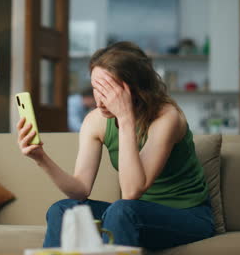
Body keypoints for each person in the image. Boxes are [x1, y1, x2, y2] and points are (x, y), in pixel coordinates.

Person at [16, 41, 215, 250]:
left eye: (109, 91)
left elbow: (131, 192)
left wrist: (125, 118)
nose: (100, 101)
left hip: (189, 216)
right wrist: (41, 158)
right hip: (135, 214)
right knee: (63, 210)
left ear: (135, 89)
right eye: (96, 89)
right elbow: (80, 189)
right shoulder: (95, 121)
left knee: (122, 210)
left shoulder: (167, 118)